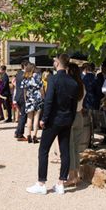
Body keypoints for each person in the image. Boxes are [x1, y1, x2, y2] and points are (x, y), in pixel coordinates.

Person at [27, 53, 79, 195]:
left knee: (43, 150)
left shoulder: (54, 79)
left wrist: (44, 118)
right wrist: (71, 118)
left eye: (54, 60)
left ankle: (41, 183)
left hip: (54, 120)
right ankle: (61, 183)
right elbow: (74, 105)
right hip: (67, 120)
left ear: (57, 62)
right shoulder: (73, 82)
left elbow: (49, 101)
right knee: (65, 151)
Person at [66, 63, 86, 187]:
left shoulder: (70, 86)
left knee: (69, 148)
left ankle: (72, 176)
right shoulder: (82, 85)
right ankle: (76, 174)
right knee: (76, 148)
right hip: (80, 116)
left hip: (71, 116)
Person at [22, 63, 44, 143]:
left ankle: (28, 135)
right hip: (37, 98)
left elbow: (24, 91)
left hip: (29, 98)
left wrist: (25, 100)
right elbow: (41, 89)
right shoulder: (38, 77)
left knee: (29, 118)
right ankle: (34, 135)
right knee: (36, 118)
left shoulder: (25, 78)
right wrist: (43, 97)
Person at [13, 60, 29, 141]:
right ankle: (20, 134)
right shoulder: (25, 75)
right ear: (25, 66)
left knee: (21, 116)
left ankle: (17, 132)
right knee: (23, 116)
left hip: (18, 96)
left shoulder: (18, 73)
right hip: (23, 97)